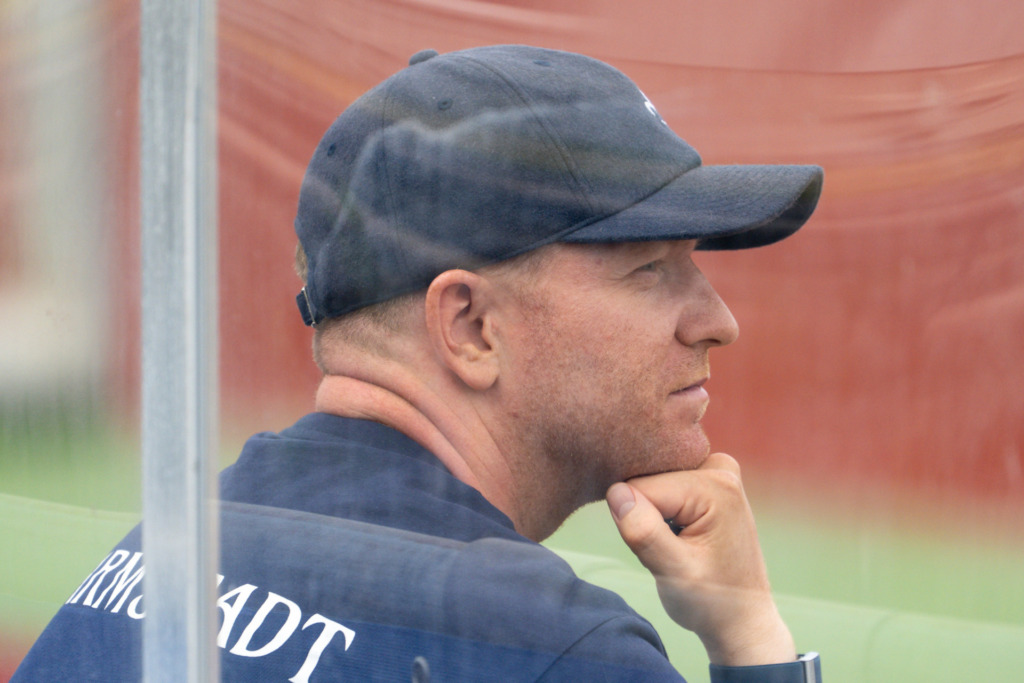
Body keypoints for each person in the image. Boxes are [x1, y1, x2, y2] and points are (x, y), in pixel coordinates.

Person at [14, 45, 823, 682]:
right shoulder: (550, 648)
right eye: (650, 270)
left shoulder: (161, 550)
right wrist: (750, 632)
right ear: (470, 326)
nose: (720, 321)